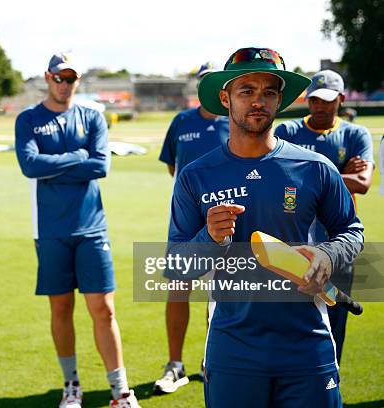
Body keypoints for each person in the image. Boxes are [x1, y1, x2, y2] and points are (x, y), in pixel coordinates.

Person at [169, 47, 364, 407]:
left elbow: (352, 229)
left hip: (307, 346)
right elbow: (175, 266)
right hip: (233, 349)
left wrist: (327, 254)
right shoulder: (195, 176)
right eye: (247, 91)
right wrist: (208, 239)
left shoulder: (315, 167)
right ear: (226, 98)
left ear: (280, 101)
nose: (258, 101)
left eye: (269, 92)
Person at [15, 52, 140, 408]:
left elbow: (101, 166)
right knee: (61, 309)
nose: (65, 84)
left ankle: (120, 391)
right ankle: (71, 387)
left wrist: (56, 166)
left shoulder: (92, 116)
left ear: (78, 80)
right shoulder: (29, 119)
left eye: (71, 78)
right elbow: (29, 164)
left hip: (91, 228)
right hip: (50, 230)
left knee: (104, 309)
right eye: (59, 78)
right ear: (47, 77)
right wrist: (77, 157)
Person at [275, 69, 374, 364]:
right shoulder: (288, 132)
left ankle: (329, 386)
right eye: (315, 100)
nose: (319, 106)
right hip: (291, 244)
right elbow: (276, 178)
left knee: (332, 326)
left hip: (338, 245)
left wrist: (304, 175)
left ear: (341, 100)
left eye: (328, 101)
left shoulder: (355, 134)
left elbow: (363, 184)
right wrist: (341, 172)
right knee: (287, 323)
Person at [155, 61, 229, 394]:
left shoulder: (236, 122)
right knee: (178, 287)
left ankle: (213, 361)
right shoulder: (181, 121)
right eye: (204, 82)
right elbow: (174, 166)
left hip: (227, 219)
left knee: (223, 294)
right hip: (186, 220)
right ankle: (175, 366)